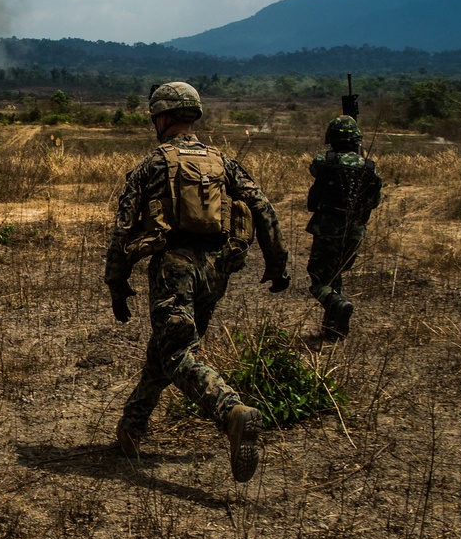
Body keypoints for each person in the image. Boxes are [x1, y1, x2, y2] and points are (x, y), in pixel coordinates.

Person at [104, 81, 290, 483]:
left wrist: (117, 285)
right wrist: (277, 263)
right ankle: (132, 427)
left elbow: (121, 232)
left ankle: (232, 413)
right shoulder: (222, 162)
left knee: (176, 354)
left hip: (175, 268)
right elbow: (263, 207)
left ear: (164, 117)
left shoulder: (153, 164)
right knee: (169, 348)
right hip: (217, 269)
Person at [305, 115, 382, 340]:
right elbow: (374, 201)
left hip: (327, 228)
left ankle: (338, 303)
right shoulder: (369, 167)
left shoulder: (324, 161)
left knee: (319, 281)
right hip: (355, 230)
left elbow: (315, 168)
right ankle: (334, 330)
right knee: (336, 275)